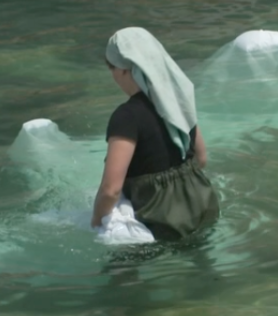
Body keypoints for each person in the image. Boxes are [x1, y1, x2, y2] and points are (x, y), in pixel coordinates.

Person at [92, 27, 220, 240]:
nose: (112, 74)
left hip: (162, 221)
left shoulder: (127, 116)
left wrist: (97, 221)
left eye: (111, 67)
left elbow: (111, 190)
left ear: (125, 69)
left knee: (119, 267)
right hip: (203, 206)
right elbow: (202, 159)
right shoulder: (179, 101)